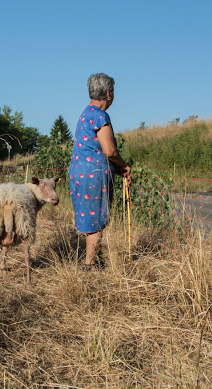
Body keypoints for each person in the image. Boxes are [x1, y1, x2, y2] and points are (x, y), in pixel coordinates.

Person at [68, 73, 131, 268]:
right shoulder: (100, 116)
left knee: (88, 219)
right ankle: (90, 265)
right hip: (92, 175)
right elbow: (110, 151)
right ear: (108, 93)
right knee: (95, 221)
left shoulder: (85, 113)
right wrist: (123, 165)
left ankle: (90, 261)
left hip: (79, 172)